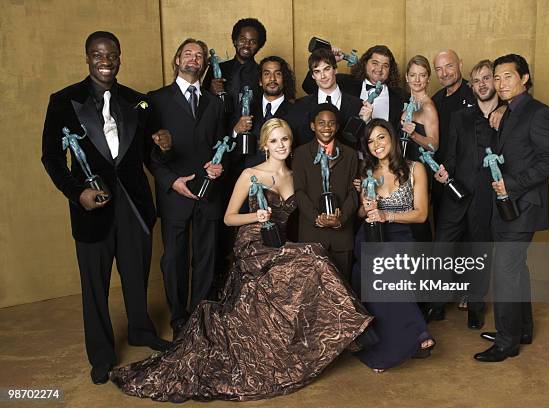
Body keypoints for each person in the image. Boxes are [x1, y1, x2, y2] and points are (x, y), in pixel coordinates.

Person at [110, 119, 373, 402]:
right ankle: (352, 327)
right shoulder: (250, 174)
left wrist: (358, 183)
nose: (281, 145)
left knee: (312, 257)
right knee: (313, 256)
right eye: (274, 141)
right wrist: (256, 216)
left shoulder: (297, 173)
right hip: (253, 242)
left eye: (285, 140)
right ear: (264, 145)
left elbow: (324, 188)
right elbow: (228, 218)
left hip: (279, 243)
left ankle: (327, 335)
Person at [41, 31, 171, 385]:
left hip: (134, 206)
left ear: (120, 57)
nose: (105, 60)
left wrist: (163, 145)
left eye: (111, 54)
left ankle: (141, 330)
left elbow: (148, 153)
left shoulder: (138, 101)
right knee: (94, 285)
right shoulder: (63, 101)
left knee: (135, 275)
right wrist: (76, 193)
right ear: (87, 57)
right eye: (98, 54)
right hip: (91, 207)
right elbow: (51, 158)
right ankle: (101, 354)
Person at [474, 54, 549, 362]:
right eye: (496, 78)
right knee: (516, 269)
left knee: (506, 271)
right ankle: (521, 328)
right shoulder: (509, 111)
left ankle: (507, 341)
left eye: (507, 77)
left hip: (523, 204)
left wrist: (512, 184)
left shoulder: (540, 114)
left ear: (525, 78)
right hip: (507, 206)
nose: (500, 83)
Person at [147, 38, 225, 340]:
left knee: (206, 258)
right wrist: (170, 181)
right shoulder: (155, 100)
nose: (194, 59)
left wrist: (220, 167)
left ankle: (200, 315)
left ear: (204, 64)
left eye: (200, 56)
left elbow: (223, 146)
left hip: (209, 193)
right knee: (174, 259)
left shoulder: (214, 103)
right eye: (188, 54)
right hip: (174, 195)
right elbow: (146, 152)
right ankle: (179, 317)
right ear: (177, 60)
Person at [351, 118, 435, 372]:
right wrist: (367, 209)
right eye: (371, 141)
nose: (376, 144)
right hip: (371, 236)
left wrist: (388, 215)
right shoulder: (366, 173)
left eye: (381, 137)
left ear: (392, 139)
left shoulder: (414, 169)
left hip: (400, 235)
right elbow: (359, 214)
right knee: (367, 278)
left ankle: (417, 334)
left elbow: (421, 214)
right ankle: (416, 335)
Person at [433, 60, 500, 329]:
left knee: (479, 253)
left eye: (487, 78)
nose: (482, 84)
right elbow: (450, 154)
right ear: (471, 86)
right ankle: (436, 304)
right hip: (455, 194)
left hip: (486, 198)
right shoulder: (460, 118)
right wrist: (444, 173)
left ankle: (475, 306)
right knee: (441, 249)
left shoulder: (505, 117)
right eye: (476, 80)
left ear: (495, 81)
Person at [292, 104, 360, 279]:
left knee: (342, 290)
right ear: (312, 126)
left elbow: (354, 192)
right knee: (312, 290)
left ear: (337, 126)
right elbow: (299, 192)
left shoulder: (350, 155)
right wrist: (317, 218)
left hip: (342, 238)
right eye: (321, 123)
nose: (326, 128)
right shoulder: (300, 153)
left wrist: (341, 218)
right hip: (311, 235)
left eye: (331, 123)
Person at [302, 45, 406, 126]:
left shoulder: (400, 96)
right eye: (375, 63)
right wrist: (329, 60)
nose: (379, 69)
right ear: (365, 63)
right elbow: (309, 86)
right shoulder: (345, 82)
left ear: (390, 70)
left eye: (385, 66)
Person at [286, 48, 362, 147]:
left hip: (347, 161)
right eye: (317, 71)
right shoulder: (300, 105)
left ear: (335, 70)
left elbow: (360, 143)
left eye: (327, 69)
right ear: (313, 76)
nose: (322, 76)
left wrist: (365, 120)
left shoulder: (357, 105)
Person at [231, 55, 296, 170]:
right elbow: (231, 153)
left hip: (280, 181)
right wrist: (236, 131)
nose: (272, 79)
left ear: (284, 80)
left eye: (277, 74)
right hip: (249, 180)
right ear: (260, 81)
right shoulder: (245, 109)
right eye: (267, 74)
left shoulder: (297, 112)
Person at [203, 17, 267, 114]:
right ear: (235, 41)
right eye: (242, 39)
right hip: (220, 127)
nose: (247, 45)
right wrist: (210, 93)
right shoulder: (216, 69)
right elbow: (200, 104)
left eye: (253, 42)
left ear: (259, 46)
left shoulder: (263, 74)